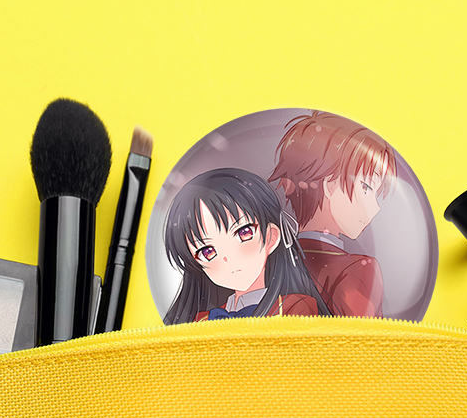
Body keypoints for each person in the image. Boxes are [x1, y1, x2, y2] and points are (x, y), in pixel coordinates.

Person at [269, 111, 397, 318]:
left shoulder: (265, 263)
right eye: (366, 187)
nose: (376, 207)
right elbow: (363, 336)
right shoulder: (357, 270)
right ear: (329, 184)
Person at [163, 167, 330, 324]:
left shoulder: (294, 309)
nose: (228, 258)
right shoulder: (201, 321)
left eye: (243, 233)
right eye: (207, 251)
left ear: (271, 237)